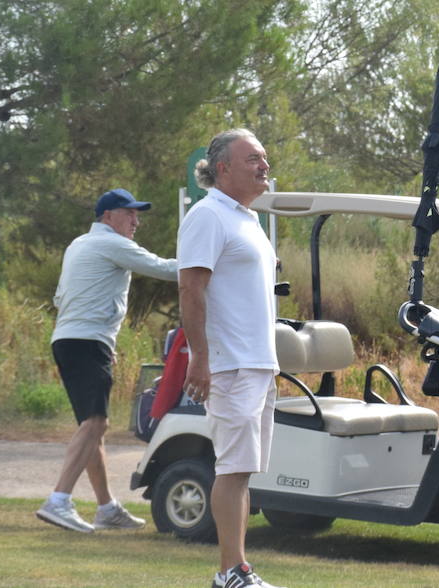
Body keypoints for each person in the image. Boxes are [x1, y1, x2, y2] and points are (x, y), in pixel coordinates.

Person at [36, 188, 179, 533]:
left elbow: (60, 296)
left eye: (136, 214)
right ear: (107, 216)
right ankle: (58, 501)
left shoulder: (79, 244)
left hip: (73, 340)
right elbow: (164, 268)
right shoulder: (109, 243)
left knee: (93, 427)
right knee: (95, 424)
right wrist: (214, 264)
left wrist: (96, 331)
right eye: (129, 213)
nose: (136, 221)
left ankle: (107, 508)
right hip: (85, 342)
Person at [177, 129, 281, 588]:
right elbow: (190, 288)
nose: (264, 165)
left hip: (258, 363)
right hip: (229, 363)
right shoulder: (208, 216)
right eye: (253, 158)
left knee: (243, 471)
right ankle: (228, 572)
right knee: (232, 467)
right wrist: (199, 357)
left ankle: (239, 569)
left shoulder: (248, 219)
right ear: (223, 168)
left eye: (264, 158)